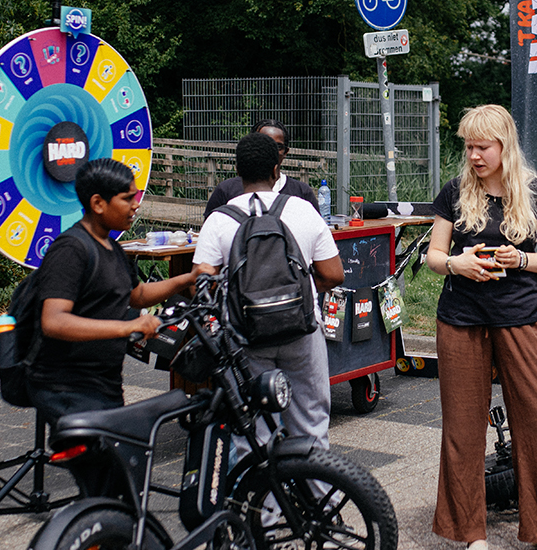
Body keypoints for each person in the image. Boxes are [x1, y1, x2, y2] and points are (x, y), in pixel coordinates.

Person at [426, 104, 537, 550]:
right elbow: (434, 256)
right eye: (469, 147)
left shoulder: (536, 191)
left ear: (504, 147)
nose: (474, 156)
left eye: (483, 147)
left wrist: (520, 261)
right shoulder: (455, 193)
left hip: (519, 317)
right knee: (463, 428)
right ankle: (471, 533)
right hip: (460, 319)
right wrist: (456, 263)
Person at [192, 132, 343, 449]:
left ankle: (261, 498)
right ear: (277, 170)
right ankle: (319, 495)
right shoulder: (303, 210)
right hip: (301, 330)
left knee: (252, 427)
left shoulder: (219, 220)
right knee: (311, 420)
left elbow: (199, 283)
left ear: (238, 172)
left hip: (245, 336)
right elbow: (333, 275)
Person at [28, 158, 198, 427]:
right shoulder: (71, 250)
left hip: (105, 383)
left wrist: (187, 278)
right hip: (69, 388)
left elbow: (138, 295)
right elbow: (54, 321)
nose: (135, 205)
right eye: (127, 198)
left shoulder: (112, 248)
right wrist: (126, 327)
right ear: (98, 203)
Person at [204, 119, 317, 219]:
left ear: (286, 152)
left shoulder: (302, 192)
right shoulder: (226, 191)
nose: (270, 150)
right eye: (264, 144)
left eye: (278, 146)